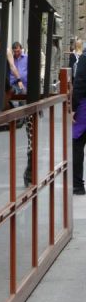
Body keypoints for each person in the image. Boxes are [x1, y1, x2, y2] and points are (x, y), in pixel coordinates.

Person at [72, 51, 86, 195]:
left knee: (77, 143)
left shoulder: (85, 57)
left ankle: (77, 185)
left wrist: (73, 107)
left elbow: (80, 82)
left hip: (84, 107)